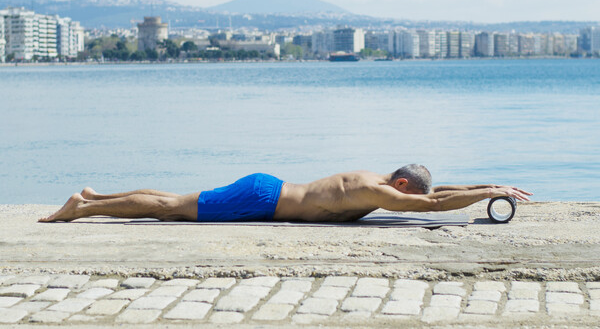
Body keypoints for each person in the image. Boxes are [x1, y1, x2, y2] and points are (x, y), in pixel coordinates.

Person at [38, 164, 532, 223]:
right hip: (262, 200)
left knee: (177, 199)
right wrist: (487, 192)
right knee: (171, 210)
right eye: (406, 195)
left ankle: (94, 195)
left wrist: (488, 187)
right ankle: (83, 208)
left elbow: (437, 191)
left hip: (266, 188)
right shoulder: (376, 192)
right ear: (400, 185)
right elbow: (430, 204)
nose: (402, 201)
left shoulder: (375, 180)